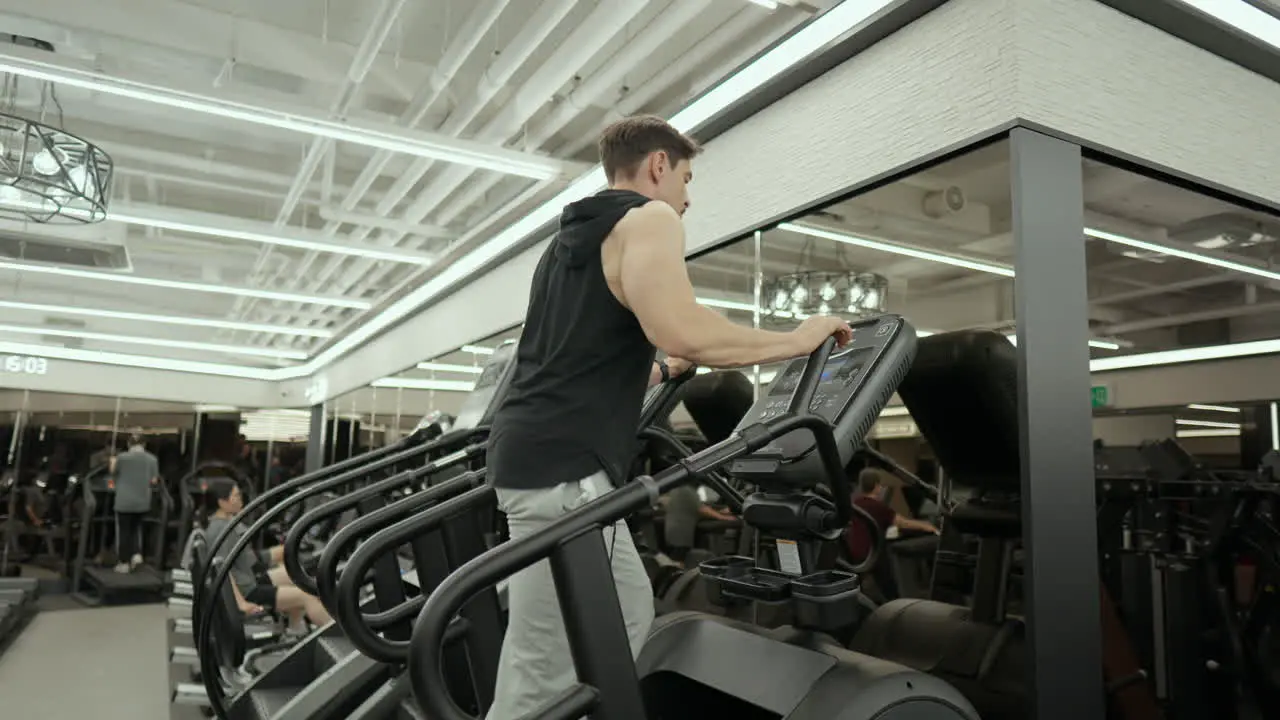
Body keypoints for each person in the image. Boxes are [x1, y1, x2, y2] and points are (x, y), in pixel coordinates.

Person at [484, 114, 853, 719]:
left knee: (616, 612)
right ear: (659, 165)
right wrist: (798, 338)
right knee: (550, 662)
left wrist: (657, 371)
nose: (686, 197)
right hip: (567, 470)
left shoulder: (567, 242)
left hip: (533, 458)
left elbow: (570, 355)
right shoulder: (648, 217)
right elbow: (678, 327)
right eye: (685, 177)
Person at [202, 478, 331, 634]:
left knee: (300, 579)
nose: (240, 499)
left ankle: (295, 631)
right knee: (306, 596)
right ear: (222, 502)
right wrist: (241, 604)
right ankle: (339, 634)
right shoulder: (220, 530)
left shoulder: (222, 523)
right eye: (235, 496)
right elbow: (223, 572)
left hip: (247, 581)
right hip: (247, 591)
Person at [846, 467, 940, 564]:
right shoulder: (878, 506)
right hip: (869, 554)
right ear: (876, 486)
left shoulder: (855, 503)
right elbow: (902, 523)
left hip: (853, 552)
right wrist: (927, 526)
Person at [109, 434, 160, 573]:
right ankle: (136, 554)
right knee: (136, 528)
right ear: (144, 445)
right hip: (142, 501)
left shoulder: (122, 457)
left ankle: (124, 563)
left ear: (128, 444)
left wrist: (112, 463)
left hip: (123, 501)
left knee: (124, 531)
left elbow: (113, 473)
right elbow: (154, 481)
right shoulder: (152, 459)